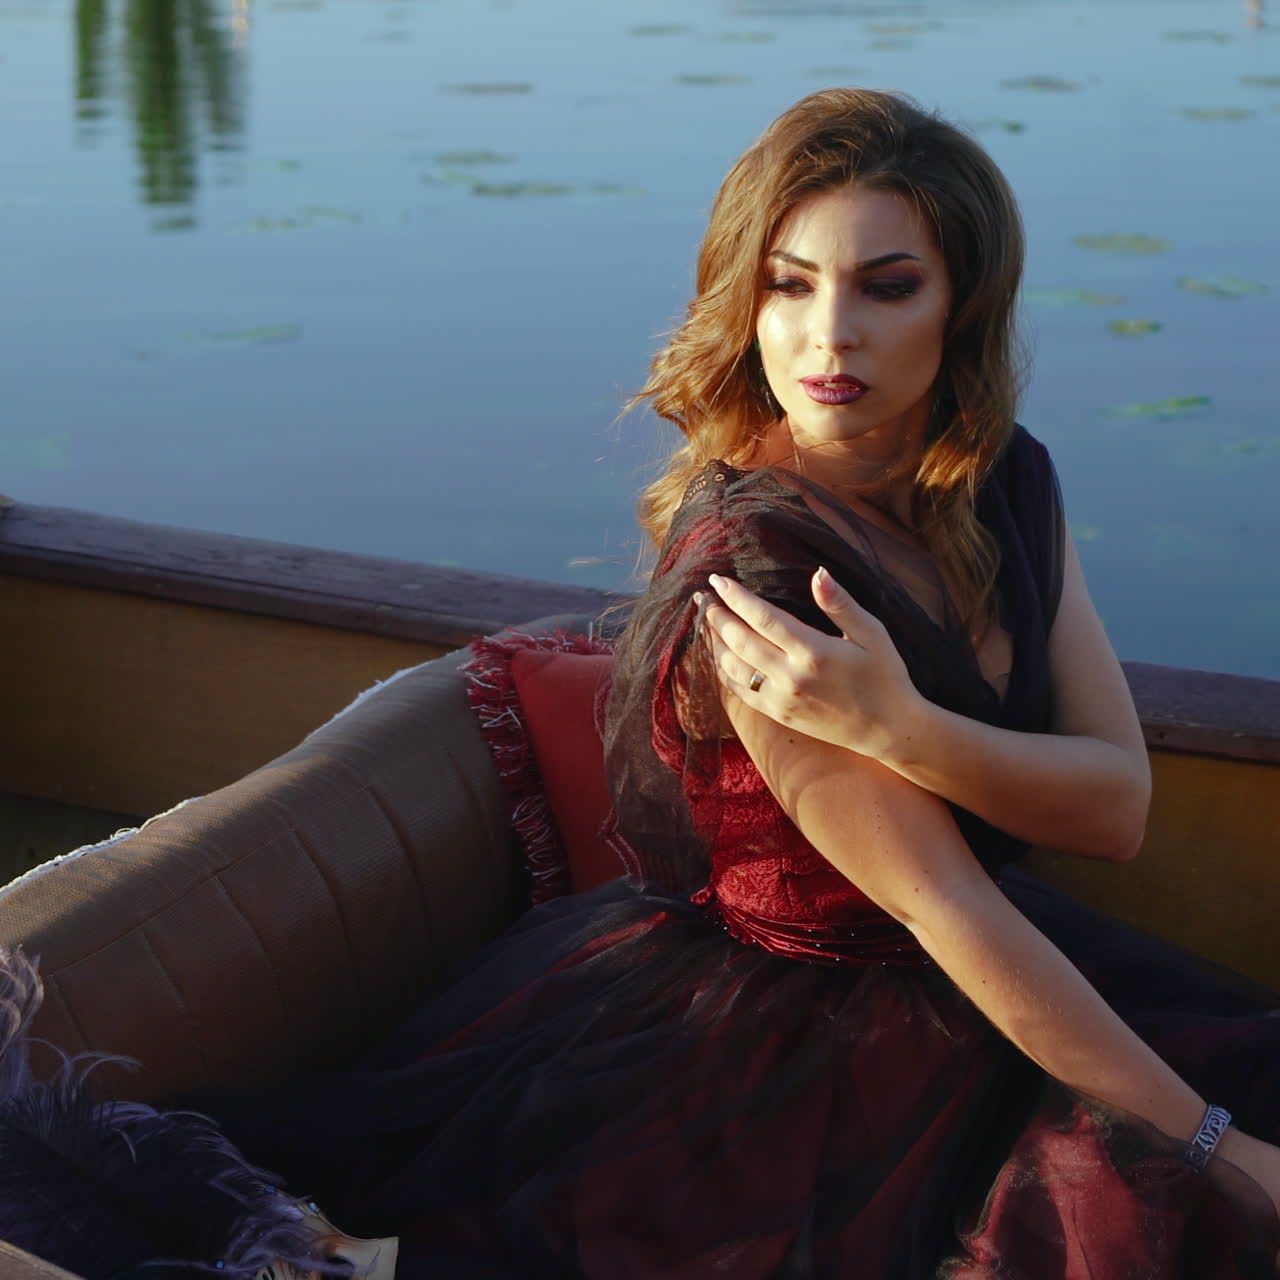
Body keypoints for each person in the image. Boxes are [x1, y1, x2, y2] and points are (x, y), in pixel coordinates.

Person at [4, 87, 1280, 1278]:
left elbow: (1112, 810)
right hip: (785, 1058)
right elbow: (945, 903)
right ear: (745, 297)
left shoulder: (1000, 475)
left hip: (1001, 981)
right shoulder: (757, 571)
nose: (827, 336)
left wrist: (902, 723)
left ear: (962, 306)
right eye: (788, 286)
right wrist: (1215, 1145)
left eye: (885, 287)